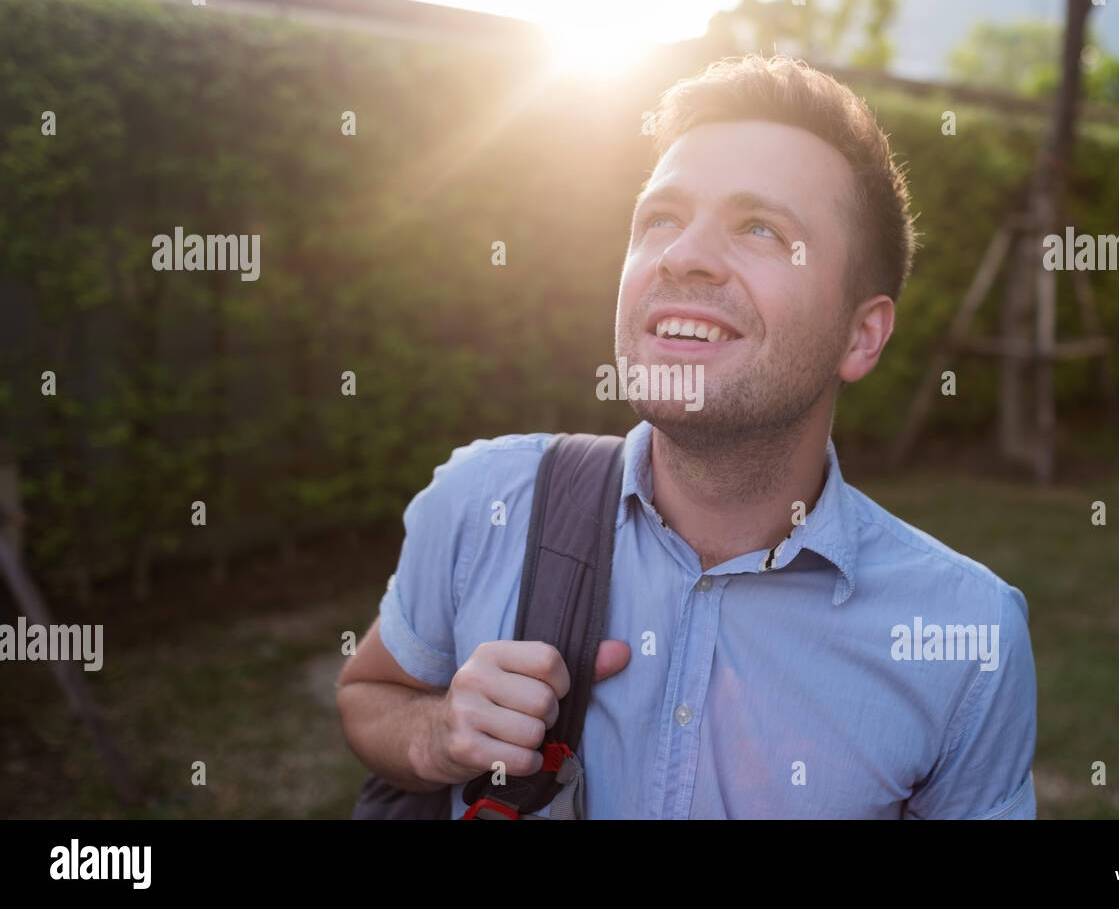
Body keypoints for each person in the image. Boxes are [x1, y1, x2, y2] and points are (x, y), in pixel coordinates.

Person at [336, 54, 1037, 819]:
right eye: (660, 219)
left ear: (861, 337)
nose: (681, 255)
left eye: (761, 228)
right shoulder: (483, 501)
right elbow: (371, 694)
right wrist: (437, 733)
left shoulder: (968, 638)